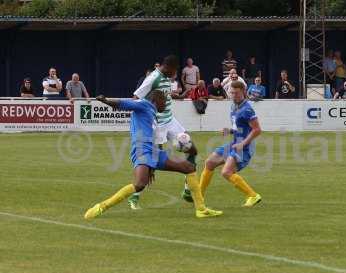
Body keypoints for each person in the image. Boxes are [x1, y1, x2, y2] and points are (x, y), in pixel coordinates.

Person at [84, 91, 222, 219]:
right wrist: (105, 101)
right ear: (156, 100)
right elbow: (123, 104)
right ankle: (101, 207)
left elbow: (154, 138)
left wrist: (153, 165)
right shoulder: (144, 104)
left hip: (153, 151)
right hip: (142, 150)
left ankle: (201, 209)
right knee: (139, 184)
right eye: (164, 101)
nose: (166, 104)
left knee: (189, 167)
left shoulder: (152, 113)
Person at [129, 55, 197, 209]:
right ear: (168, 67)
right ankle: (134, 196)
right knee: (150, 165)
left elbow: (164, 95)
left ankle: (187, 190)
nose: (175, 74)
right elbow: (135, 98)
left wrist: (179, 96)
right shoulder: (153, 78)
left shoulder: (166, 78)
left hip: (170, 121)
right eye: (175, 71)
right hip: (156, 124)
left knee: (192, 150)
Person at [199, 81, 262, 207]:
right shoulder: (234, 106)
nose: (233, 95)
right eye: (231, 93)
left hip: (244, 147)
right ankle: (198, 195)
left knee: (226, 172)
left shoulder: (247, 109)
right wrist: (230, 130)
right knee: (210, 162)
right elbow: (241, 128)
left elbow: (257, 130)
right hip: (235, 143)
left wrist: (243, 144)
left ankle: (253, 196)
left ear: (243, 92)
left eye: (236, 93)